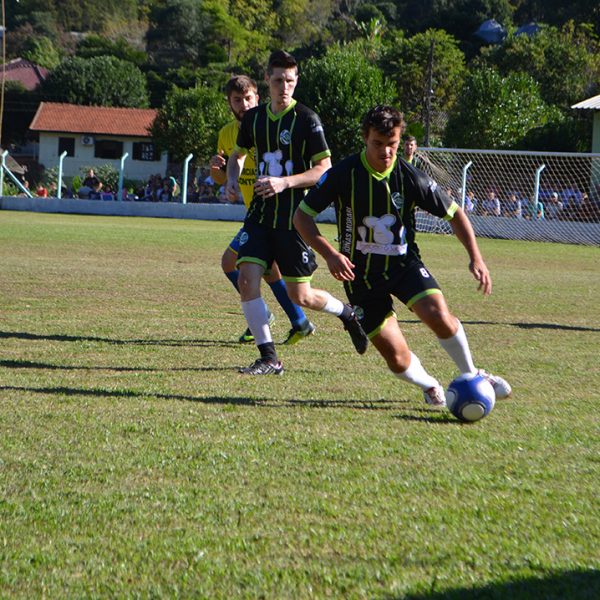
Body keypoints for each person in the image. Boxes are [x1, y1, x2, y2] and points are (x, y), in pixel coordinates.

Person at [293, 105, 511, 406]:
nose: (385, 152)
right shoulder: (343, 174)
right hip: (361, 277)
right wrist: (330, 254)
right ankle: (430, 384)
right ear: (365, 139)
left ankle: (473, 375)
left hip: (404, 266)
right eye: (377, 144)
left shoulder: (410, 177)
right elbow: (302, 217)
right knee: (396, 358)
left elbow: (455, 214)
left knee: (439, 317)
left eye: (392, 144)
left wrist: (476, 257)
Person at [226, 50, 368, 375]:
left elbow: (325, 169)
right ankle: (269, 357)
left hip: (293, 220)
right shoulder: (253, 118)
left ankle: (347, 314)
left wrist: (284, 182)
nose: (284, 86)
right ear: (267, 80)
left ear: (296, 80)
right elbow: (237, 156)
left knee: (301, 296)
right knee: (247, 278)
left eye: (290, 80)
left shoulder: (307, 119)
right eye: (278, 80)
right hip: (260, 216)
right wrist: (232, 180)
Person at [211, 74, 316, 346]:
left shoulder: (265, 123)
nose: (244, 104)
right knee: (269, 271)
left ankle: (270, 317)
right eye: (237, 100)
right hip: (255, 212)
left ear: (258, 97)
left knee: (231, 262)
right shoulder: (227, 133)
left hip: (276, 212)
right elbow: (225, 175)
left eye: (248, 99)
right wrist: (222, 175)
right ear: (229, 103)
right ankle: (299, 322)